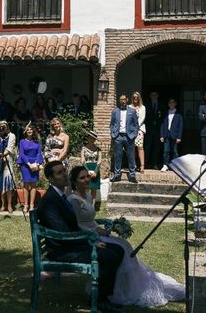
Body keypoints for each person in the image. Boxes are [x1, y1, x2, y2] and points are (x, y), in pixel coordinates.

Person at [67, 166, 184, 307]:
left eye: (87, 176)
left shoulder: (88, 195)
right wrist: (97, 233)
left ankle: (122, 288)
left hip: (95, 232)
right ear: (74, 181)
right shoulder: (73, 199)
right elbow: (77, 224)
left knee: (125, 245)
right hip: (88, 237)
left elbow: (90, 220)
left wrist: (102, 229)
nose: (86, 179)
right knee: (120, 248)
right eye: (82, 177)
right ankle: (112, 291)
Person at [37, 161, 124, 313]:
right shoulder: (50, 200)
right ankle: (99, 299)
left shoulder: (61, 195)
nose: (64, 174)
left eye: (64, 170)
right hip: (61, 251)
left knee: (118, 250)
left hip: (72, 244)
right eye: (59, 173)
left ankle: (103, 296)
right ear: (50, 179)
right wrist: (91, 242)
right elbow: (62, 232)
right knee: (110, 255)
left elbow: (72, 226)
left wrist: (93, 237)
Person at [109, 94, 139, 183]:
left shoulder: (132, 111)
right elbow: (112, 124)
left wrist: (134, 134)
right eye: (121, 99)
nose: (123, 101)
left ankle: (132, 175)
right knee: (118, 156)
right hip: (118, 136)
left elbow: (136, 124)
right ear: (119, 100)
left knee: (131, 156)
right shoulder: (115, 111)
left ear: (127, 100)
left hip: (129, 137)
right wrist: (113, 133)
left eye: (124, 99)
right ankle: (117, 175)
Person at [17, 122, 43, 212]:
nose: (29, 131)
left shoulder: (37, 142)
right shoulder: (22, 142)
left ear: (33, 131)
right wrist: (29, 164)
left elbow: (39, 153)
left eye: (31, 129)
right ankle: (25, 205)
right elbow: (22, 154)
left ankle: (32, 205)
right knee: (26, 184)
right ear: (25, 132)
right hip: (26, 164)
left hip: (35, 164)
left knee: (33, 184)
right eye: (28, 130)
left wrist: (36, 163)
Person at [0, 120, 17, 213]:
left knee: (8, 184)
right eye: (1, 126)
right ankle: (3, 204)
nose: (3, 127)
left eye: (4, 126)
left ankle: (9, 204)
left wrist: (4, 154)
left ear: (7, 126)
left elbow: (10, 147)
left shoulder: (12, 136)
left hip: (7, 163)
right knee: (0, 185)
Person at [160, 98, 183, 171]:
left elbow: (180, 126)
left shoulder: (178, 114)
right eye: (170, 103)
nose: (171, 104)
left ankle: (175, 166)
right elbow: (162, 124)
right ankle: (165, 165)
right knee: (166, 151)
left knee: (175, 151)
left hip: (175, 135)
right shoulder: (166, 113)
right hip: (167, 134)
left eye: (172, 102)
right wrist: (162, 135)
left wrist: (179, 137)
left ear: (175, 104)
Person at [79, 130, 101, 203]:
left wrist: (96, 171)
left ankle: (92, 206)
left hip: (95, 168)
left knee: (94, 189)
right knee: (86, 188)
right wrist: (87, 171)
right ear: (88, 138)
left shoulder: (98, 149)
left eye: (93, 138)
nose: (92, 139)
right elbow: (82, 160)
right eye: (90, 137)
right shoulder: (83, 148)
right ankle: (86, 205)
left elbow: (99, 160)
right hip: (86, 168)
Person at [144, 91, 163, 170]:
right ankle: (145, 163)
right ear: (150, 96)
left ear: (158, 96)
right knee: (147, 147)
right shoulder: (146, 105)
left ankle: (155, 163)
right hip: (148, 130)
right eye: (152, 95)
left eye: (155, 95)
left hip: (158, 130)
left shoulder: (162, 105)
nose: (153, 96)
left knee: (156, 147)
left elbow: (163, 118)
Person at [130, 91, 146, 173]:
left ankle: (142, 166)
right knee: (131, 148)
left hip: (139, 130)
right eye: (134, 97)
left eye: (137, 97)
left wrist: (135, 127)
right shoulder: (129, 107)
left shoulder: (143, 107)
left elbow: (141, 119)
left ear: (139, 98)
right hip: (130, 131)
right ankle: (134, 165)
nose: (135, 99)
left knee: (140, 147)